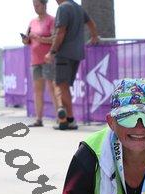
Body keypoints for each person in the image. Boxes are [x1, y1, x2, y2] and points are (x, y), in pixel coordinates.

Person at [44, 0, 99, 130]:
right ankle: (65, 119)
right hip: (77, 54)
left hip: (64, 54)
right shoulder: (78, 8)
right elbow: (91, 23)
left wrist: (52, 52)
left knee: (60, 86)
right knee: (65, 86)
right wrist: (94, 36)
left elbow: (60, 32)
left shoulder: (63, 8)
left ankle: (68, 118)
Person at [22, 0, 58, 128]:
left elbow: (54, 38)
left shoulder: (51, 20)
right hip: (35, 61)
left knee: (52, 89)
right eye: (34, 5)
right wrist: (26, 40)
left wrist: (39, 38)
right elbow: (27, 41)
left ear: (44, 5)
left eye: (37, 5)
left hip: (48, 60)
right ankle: (38, 119)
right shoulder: (32, 22)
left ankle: (60, 118)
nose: (35, 8)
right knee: (37, 91)